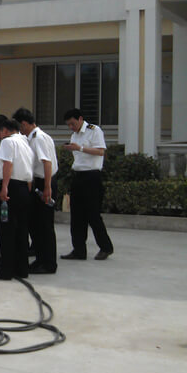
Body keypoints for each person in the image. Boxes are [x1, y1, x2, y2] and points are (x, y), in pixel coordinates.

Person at [61, 108, 114, 261]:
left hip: (92, 177)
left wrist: (80, 148)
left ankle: (106, 247)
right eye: (68, 125)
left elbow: (100, 151)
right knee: (77, 216)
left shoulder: (94, 130)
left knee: (93, 215)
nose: (71, 127)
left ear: (80, 119)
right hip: (78, 176)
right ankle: (79, 250)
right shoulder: (74, 135)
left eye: (72, 123)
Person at [13, 107, 59, 274]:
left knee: (44, 225)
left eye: (20, 127)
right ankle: (40, 259)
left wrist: (47, 187)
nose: (20, 131)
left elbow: (47, 163)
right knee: (36, 224)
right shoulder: (32, 138)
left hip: (44, 181)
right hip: (37, 181)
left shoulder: (39, 138)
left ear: (24, 124)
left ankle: (48, 263)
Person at [0, 116, 34, 280]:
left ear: (5, 130)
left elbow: (8, 164)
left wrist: (5, 187)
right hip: (23, 188)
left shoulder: (8, 142)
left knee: (7, 229)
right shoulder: (25, 142)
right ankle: (21, 268)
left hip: (11, 188)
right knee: (21, 229)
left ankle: (6, 269)